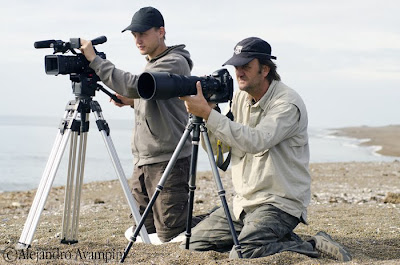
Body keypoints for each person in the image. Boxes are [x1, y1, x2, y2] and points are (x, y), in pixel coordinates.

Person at [179, 37, 352, 261]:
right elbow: (220, 148)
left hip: (278, 203)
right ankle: (261, 237)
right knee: (194, 244)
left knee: (243, 254)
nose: (239, 72)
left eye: (246, 67)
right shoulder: (240, 97)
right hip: (244, 203)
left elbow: (257, 140)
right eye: (236, 67)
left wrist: (210, 115)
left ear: (265, 69)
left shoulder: (287, 104)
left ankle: (312, 244)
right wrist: (206, 117)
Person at [79, 6, 197, 243]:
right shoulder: (154, 63)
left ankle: (222, 220)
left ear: (161, 31)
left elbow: (136, 84)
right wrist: (133, 102)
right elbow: (152, 95)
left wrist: (95, 60)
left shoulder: (174, 62)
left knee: (171, 235)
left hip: (168, 160)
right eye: (134, 35)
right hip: (143, 161)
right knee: (145, 231)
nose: (137, 39)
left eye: (143, 33)